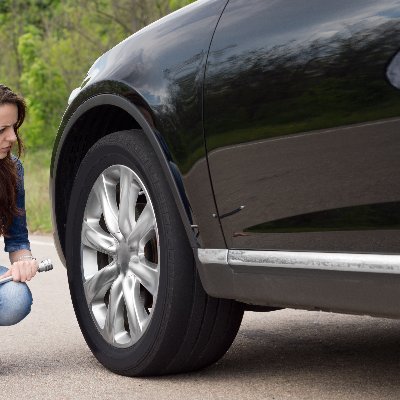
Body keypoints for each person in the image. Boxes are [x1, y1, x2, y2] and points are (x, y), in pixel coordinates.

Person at [0, 84, 37, 326]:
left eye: (13, 127)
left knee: (16, 298)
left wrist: (25, 261)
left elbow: (17, 241)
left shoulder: (13, 171)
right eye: (2, 129)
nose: (12, 137)